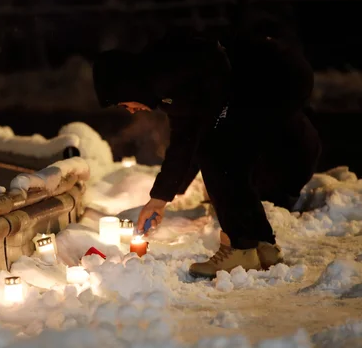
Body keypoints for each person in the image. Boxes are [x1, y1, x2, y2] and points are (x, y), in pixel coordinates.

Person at [91, 28, 321, 278]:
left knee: (218, 155)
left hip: (275, 77)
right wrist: (159, 198)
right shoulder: (165, 89)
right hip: (274, 81)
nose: (131, 111)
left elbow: (213, 61)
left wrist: (217, 115)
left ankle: (241, 248)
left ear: (127, 87)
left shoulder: (164, 70)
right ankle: (263, 245)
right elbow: (184, 140)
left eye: (125, 104)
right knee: (218, 152)